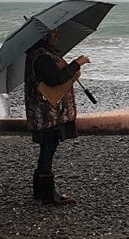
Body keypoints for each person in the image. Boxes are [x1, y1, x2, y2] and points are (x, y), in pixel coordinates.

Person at [25, 28, 90, 204]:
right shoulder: (42, 57)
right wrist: (77, 63)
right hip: (46, 112)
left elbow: (56, 76)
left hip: (46, 110)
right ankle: (47, 194)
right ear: (44, 36)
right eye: (54, 33)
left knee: (47, 147)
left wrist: (72, 70)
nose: (57, 35)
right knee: (48, 147)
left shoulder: (41, 54)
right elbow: (55, 79)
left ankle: (40, 190)